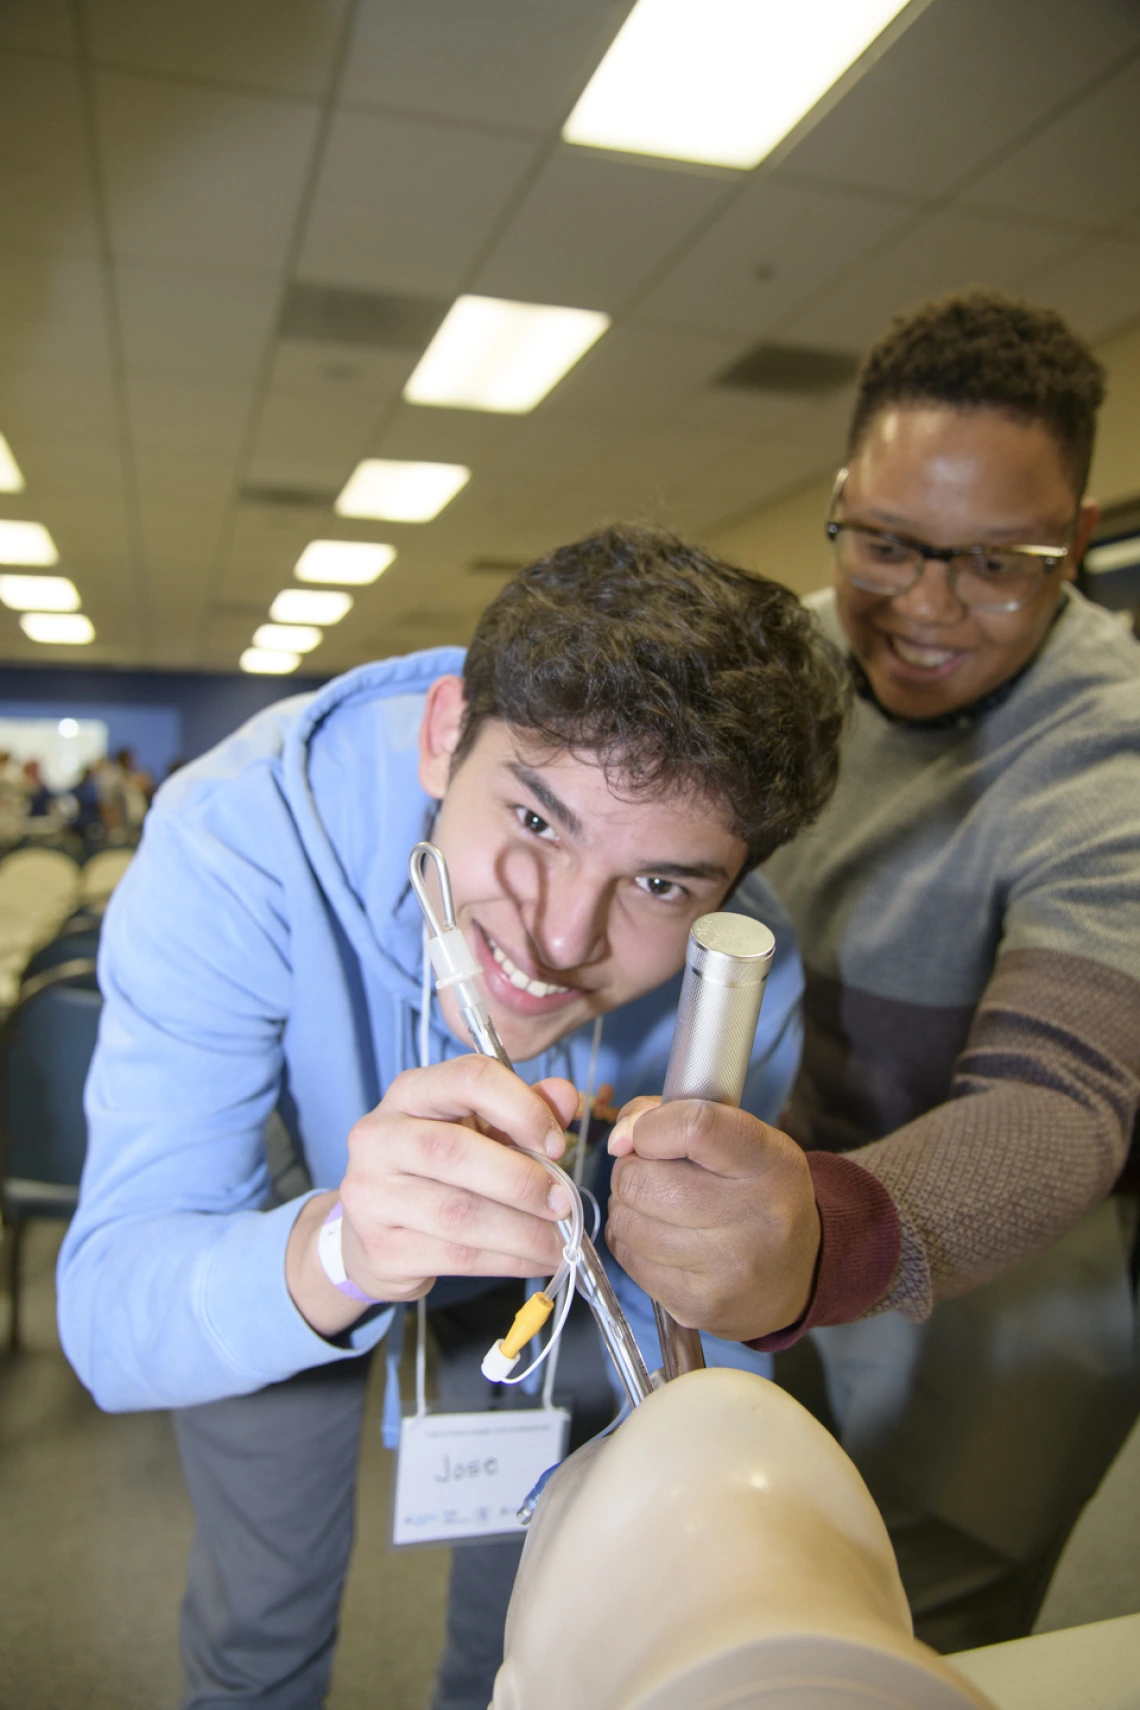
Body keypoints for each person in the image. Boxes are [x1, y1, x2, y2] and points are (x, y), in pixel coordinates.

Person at [57, 527, 847, 1710]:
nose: (561, 938)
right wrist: (344, 1247)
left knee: (545, 1611)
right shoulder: (229, 845)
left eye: (662, 884)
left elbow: (700, 1338)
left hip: (557, 1254)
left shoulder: (742, 980)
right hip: (277, 1230)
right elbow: (113, 1320)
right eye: (537, 823)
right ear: (443, 736)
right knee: (263, 1606)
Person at [607, 290, 1140, 1652]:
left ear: (1077, 540)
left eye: (997, 562)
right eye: (888, 544)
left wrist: (813, 1243)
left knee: (885, 1635)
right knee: (710, 1592)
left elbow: (1061, 1096)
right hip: (759, 1209)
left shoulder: (1108, 753)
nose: (924, 609)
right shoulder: (779, 659)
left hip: (977, 1243)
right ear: (842, 497)